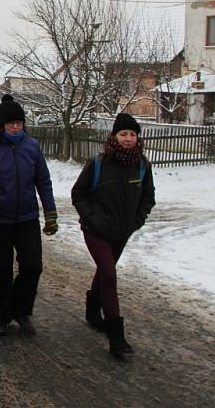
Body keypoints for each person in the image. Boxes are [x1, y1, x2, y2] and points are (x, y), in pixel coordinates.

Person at [71, 112, 155, 358]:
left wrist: (136, 221)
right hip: (96, 230)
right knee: (109, 274)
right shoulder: (98, 163)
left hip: (122, 232)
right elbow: (79, 193)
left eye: (132, 134)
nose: (128, 138)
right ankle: (116, 337)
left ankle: (92, 310)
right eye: (123, 134)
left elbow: (148, 198)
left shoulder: (142, 165)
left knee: (103, 272)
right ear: (114, 137)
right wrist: (91, 218)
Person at [0, 95, 57, 337]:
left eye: (19, 123)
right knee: (1, 270)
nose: (15, 127)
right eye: (10, 123)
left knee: (33, 267)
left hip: (27, 218)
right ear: (1, 125)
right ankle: (1, 317)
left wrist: (50, 212)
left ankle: (22, 311)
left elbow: (43, 180)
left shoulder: (31, 147)